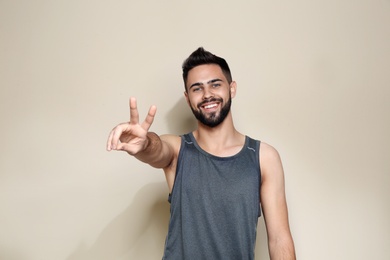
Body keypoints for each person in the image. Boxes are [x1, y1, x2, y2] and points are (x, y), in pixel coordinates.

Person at [106, 47, 296, 259]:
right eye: (197, 89)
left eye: (215, 84)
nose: (207, 95)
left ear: (232, 89)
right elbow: (157, 149)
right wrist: (144, 144)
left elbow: (279, 238)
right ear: (188, 98)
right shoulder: (178, 150)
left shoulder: (263, 157)